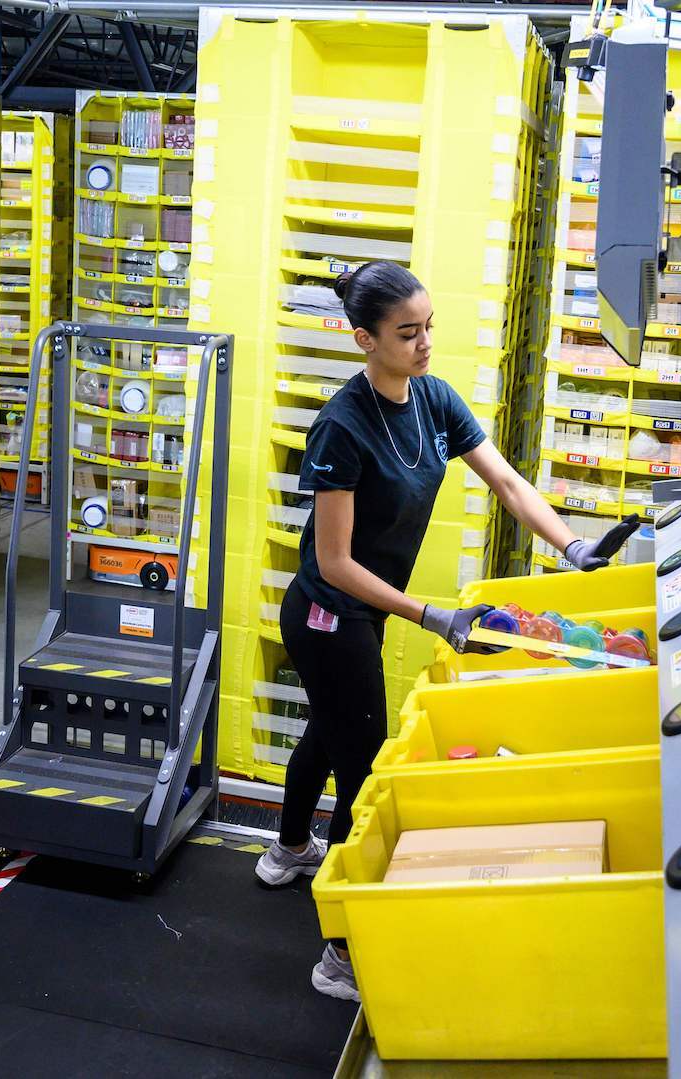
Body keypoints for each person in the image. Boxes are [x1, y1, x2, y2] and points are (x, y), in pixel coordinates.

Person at [253, 261, 632, 1000]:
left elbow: (509, 483)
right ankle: (340, 955)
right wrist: (435, 616)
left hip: (368, 606)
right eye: (407, 333)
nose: (425, 344)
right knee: (363, 774)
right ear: (364, 339)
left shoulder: (433, 399)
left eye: (429, 327)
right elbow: (333, 563)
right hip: (329, 613)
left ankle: (287, 850)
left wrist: (571, 545)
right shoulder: (342, 424)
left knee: (329, 733)